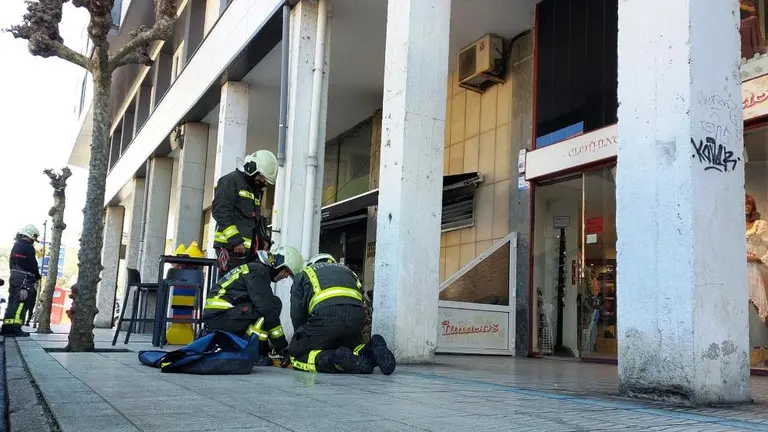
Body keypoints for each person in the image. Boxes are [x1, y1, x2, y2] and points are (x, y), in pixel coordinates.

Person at [288, 253, 396, 375]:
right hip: (355, 317)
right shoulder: (349, 272)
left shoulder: (305, 273)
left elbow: (297, 315)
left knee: (296, 353)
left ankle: (334, 359)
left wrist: (301, 337)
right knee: (351, 347)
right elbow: (360, 297)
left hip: (326, 316)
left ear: (312, 264)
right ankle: (373, 349)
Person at [203, 245, 303, 357]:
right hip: (220, 318)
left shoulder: (256, 268)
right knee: (271, 306)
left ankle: (258, 349)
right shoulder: (258, 272)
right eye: (287, 271)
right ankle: (253, 352)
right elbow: (267, 310)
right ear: (278, 263)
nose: (285, 276)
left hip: (220, 317)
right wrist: (281, 346)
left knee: (271, 303)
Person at [212, 150, 278, 274]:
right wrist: (235, 241)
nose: (263, 182)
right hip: (232, 250)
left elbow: (256, 220)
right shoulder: (231, 181)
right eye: (262, 178)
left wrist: (265, 240)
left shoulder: (255, 190)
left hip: (248, 252)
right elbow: (221, 212)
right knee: (231, 289)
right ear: (252, 168)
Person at [2, 225, 41, 337]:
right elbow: (33, 264)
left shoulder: (16, 246)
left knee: (12, 303)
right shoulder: (28, 247)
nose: (33, 240)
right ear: (30, 235)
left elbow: (11, 263)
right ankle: (16, 328)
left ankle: (6, 328)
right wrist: (36, 277)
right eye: (34, 237)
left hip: (14, 277)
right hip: (25, 280)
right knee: (21, 304)